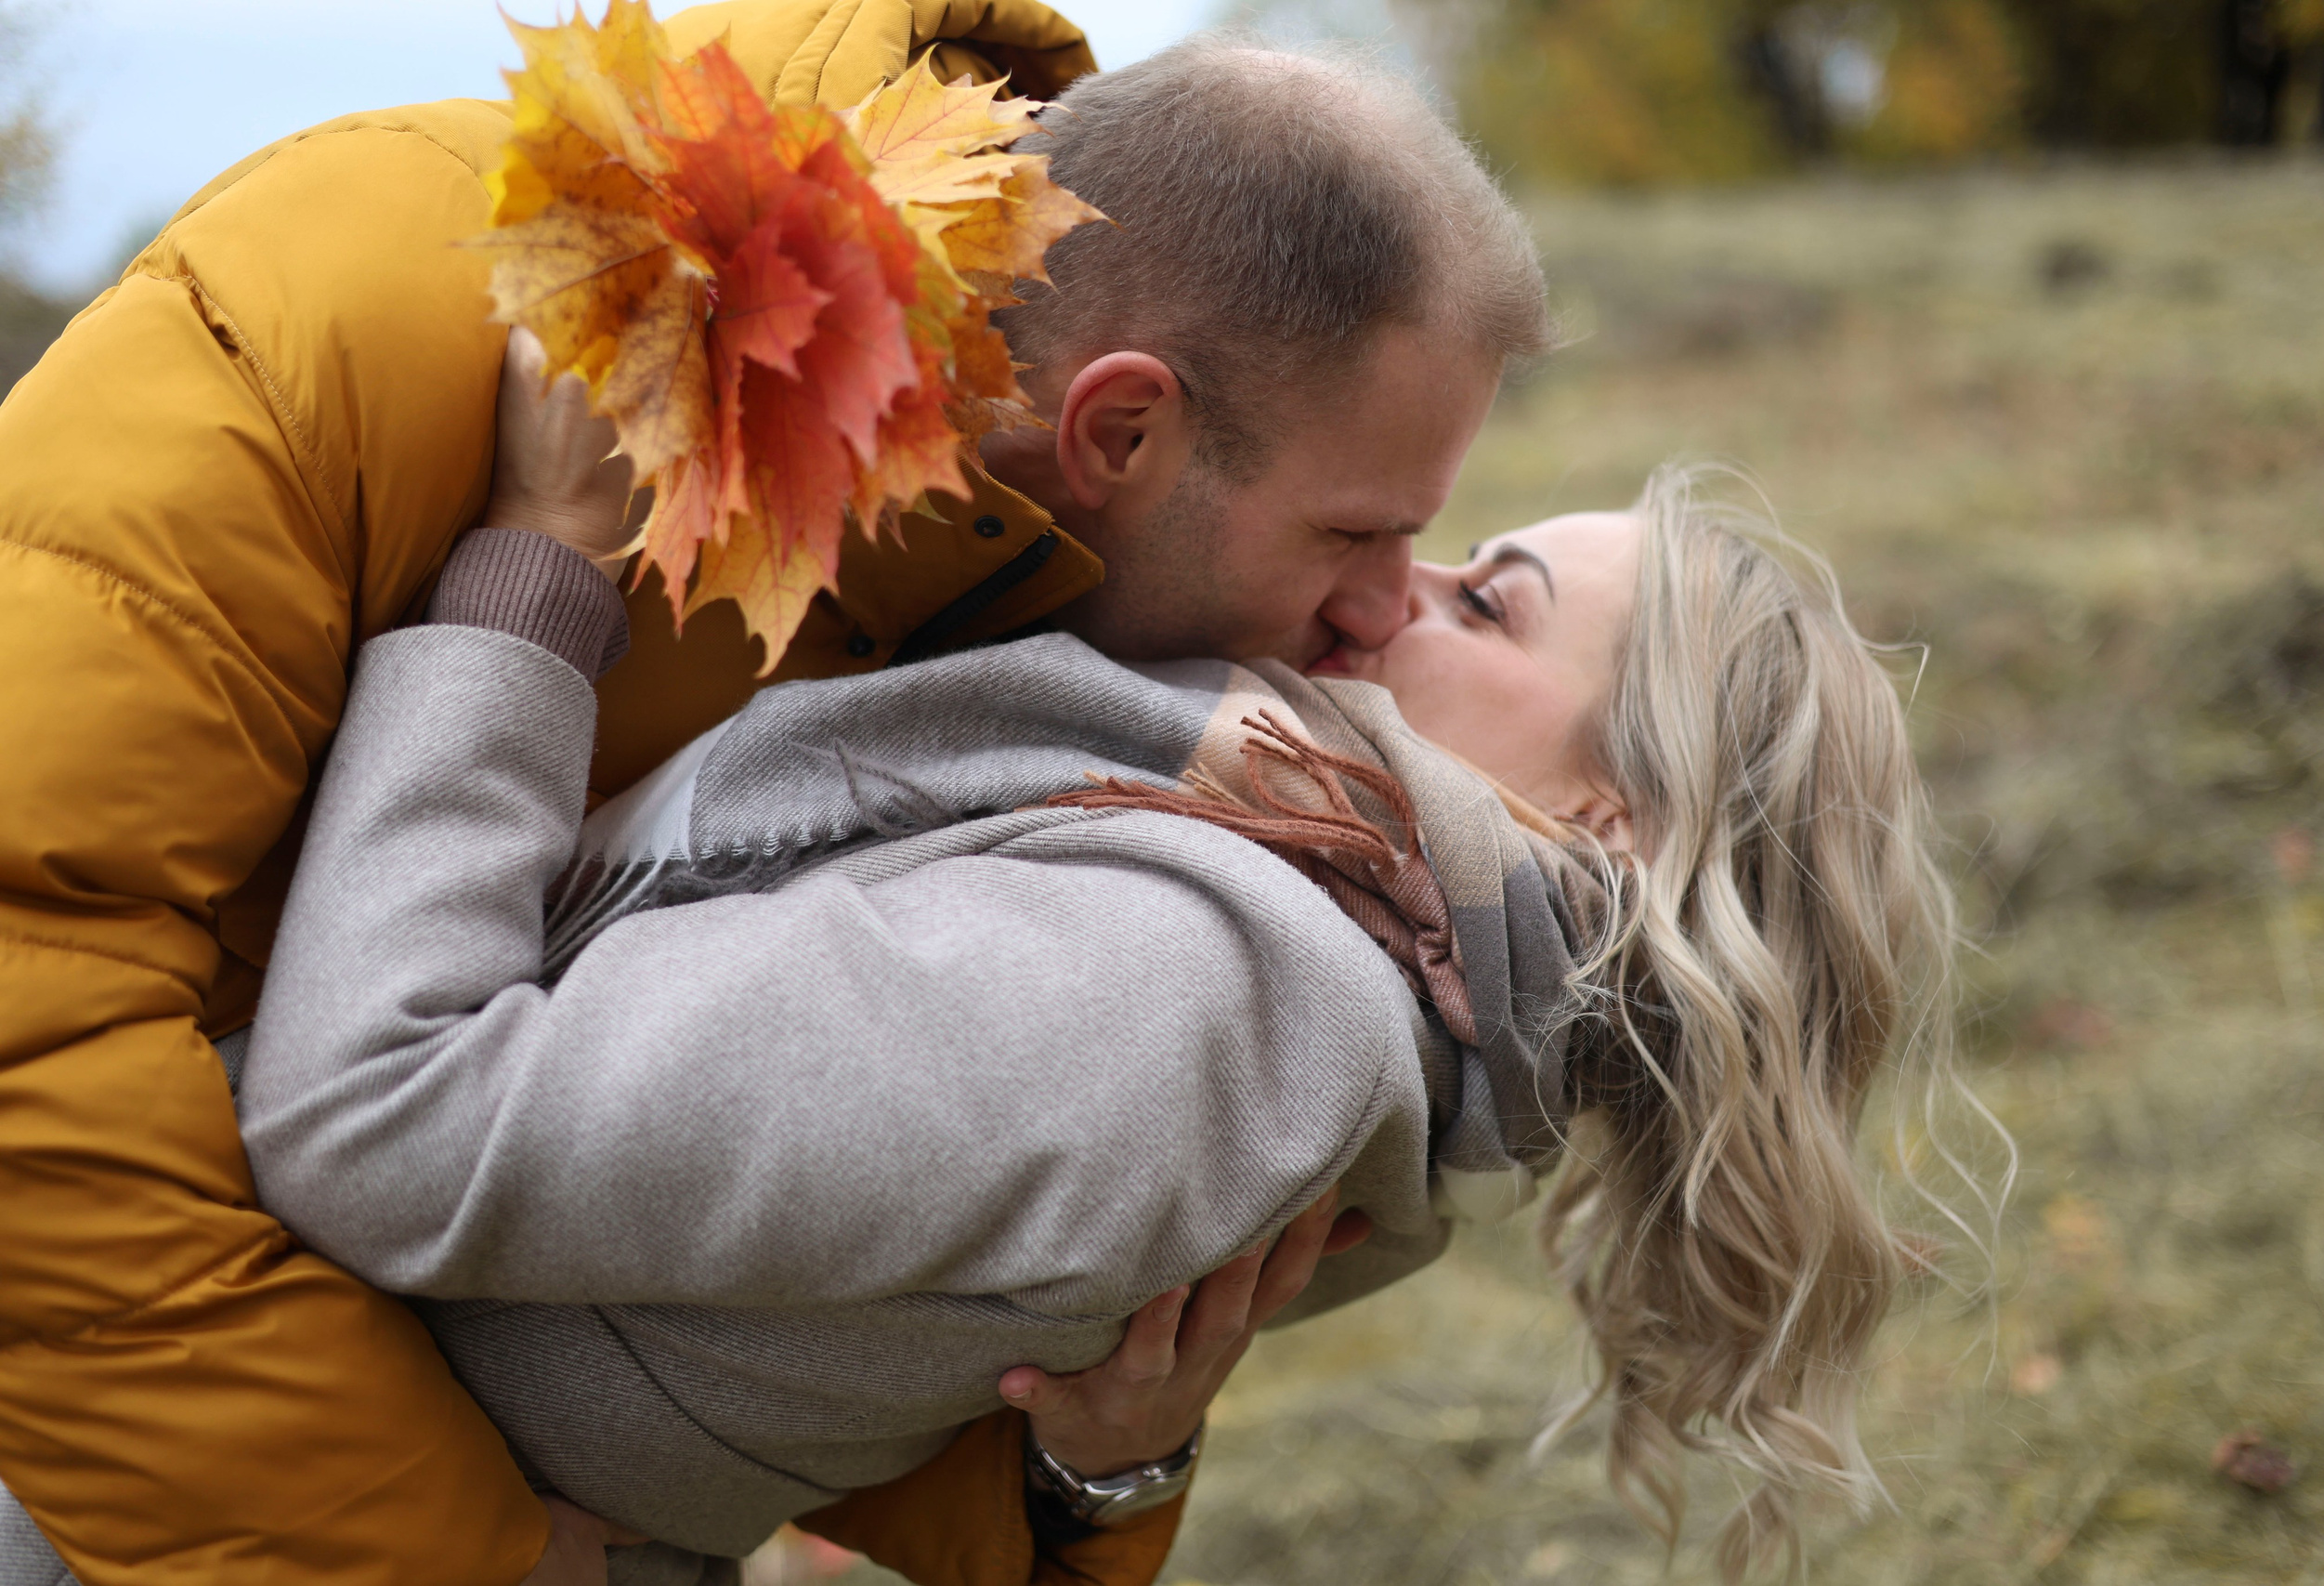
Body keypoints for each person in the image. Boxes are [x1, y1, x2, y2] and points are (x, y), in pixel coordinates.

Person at [0, 15, 1545, 1585]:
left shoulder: (1040, 589)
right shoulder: (334, 321)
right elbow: (28, 1036)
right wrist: (434, 1550)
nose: (1379, 611)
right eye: (1359, 534)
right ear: (1122, 429)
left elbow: (817, 1282)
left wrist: (1102, 1468)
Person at [160, 313, 1948, 1581]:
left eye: (1491, 605)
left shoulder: (1203, 1000)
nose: (1401, 591)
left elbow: (387, 1118)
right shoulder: (1315, 954)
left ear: (1615, 823)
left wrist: (534, 577)